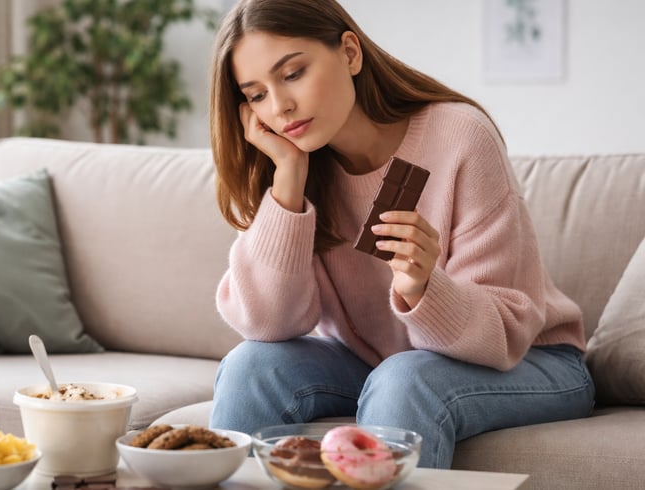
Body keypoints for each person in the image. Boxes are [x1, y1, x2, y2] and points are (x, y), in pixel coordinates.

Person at [207, 0, 594, 469]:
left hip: (535, 362)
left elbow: (504, 335)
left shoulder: (459, 138)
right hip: (378, 362)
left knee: (405, 379)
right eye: (255, 95)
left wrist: (423, 290)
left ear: (350, 53)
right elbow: (268, 324)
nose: (279, 106)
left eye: (292, 74)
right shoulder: (299, 167)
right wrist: (288, 180)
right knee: (251, 367)